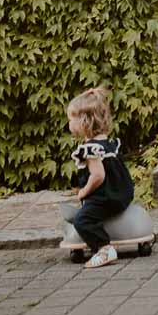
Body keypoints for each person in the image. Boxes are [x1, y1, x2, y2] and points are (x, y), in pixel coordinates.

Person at [66, 87, 134, 269]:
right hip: (121, 193)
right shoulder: (107, 143)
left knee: (82, 220)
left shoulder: (91, 150)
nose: (69, 125)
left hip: (106, 197)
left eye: (71, 120)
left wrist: (83, 192)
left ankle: (104, 248)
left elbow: (98, 176)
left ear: (84, 122)